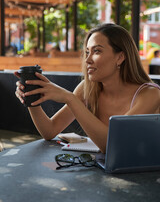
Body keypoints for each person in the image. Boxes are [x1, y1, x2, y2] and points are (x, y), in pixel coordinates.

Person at [15, 23, 160, 153]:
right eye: (87, 52)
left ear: (120, 57)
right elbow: (49, 130)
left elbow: (112, 145)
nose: (88, 60)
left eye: (97, 51)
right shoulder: (89, 88)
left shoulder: (150, 94)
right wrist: (30, 97)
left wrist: (70, 98)